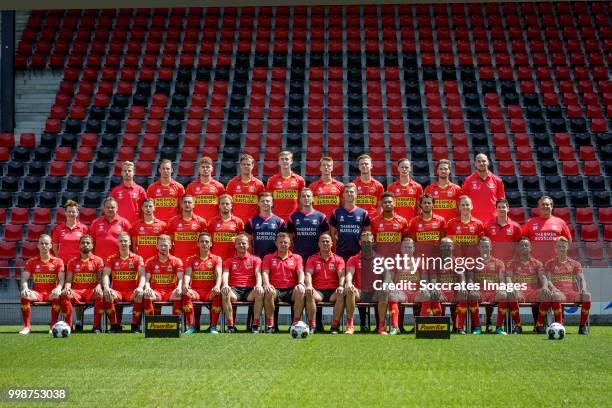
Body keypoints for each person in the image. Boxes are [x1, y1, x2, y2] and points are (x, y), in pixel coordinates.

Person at [329, 183, 371, 331]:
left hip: (358, 256)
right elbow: (333, 233)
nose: (349, 194)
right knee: (343, 288)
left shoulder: (363, 213)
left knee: (359, 286)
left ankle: (364, 322)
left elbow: (367, 233)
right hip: (341, 255)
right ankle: (338, 323)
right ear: (343, 195)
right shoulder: (336, 213)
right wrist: (337, 246)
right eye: (347, 192)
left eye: (352, 192)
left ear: (356, 195)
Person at [537, 237, 591, 335]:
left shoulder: (575, 264)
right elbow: (548, 279)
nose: (561, 249)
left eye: (563, 247)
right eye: (559, 247)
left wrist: (583, 288)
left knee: (587, 295)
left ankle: (582, 326)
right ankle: (560, 326)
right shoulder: (550, 263)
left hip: (572, 293)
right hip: (559, 292)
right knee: (556, 296)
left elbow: (581, 278)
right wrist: (554, 289)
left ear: (567, 247)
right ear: (555, 248)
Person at [19, 234, 65, 335]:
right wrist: (25, 288)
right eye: (42, 243)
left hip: (51, 293)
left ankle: (52, 326)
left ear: (51, 246)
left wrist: (59, 287)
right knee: (24, 295)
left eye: (47, 244)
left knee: (58, 294)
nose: (44, 246)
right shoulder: (31, 262)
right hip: (37, 293)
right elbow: (24, 278)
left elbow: (62, 279)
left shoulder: (58, 262)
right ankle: (27, 327)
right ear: (38, 246)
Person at [345, 231, 389, 334]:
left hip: (375, 292)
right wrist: (349, 282)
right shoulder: (353, 259)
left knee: (384, 291)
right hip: (360, 292)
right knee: (350, 290)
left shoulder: (381, 259)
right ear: (360, 243)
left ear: (373, 242)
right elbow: (349, 273)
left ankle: (382, 326)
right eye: (364, 242)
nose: (366, 244)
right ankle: (350, 325)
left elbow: (387, 275)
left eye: (368, 242)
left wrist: (385, 284)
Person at [102, 232, 146, 333]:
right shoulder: (111, 258)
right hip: (118, 292)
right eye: (121, 241)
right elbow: (105, 275)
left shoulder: (137, 258)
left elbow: (143, 275)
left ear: (130, 242)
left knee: (140, 294)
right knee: (108, 294)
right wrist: (106, 287)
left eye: (125, 241)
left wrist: (140, 287)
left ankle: (135, 326)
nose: (123, 243)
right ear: (117, 243)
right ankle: (114, 326)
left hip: (131, 292)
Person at [261, 233, 306, 333]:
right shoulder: (268, 257)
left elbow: (300, 272)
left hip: (291, 289)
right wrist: (267, 284)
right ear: (276, 243)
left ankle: (295, 324)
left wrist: (301, 283)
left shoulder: (297, 257)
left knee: (301, 291)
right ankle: (271, 325)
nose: (283, 244)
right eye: (280, 242)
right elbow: (265, 272)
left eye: (285, 242)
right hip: (275, 289)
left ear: (290, 244)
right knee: (268, 291)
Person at [60, 235, 105, 333]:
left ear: (92, 245)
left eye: (88, 243)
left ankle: (96, 326)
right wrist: (67, 288)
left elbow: (100, 279)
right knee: (64, 294)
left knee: (100, 294)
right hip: (77, 292)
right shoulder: (72, 261)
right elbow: (68, 280)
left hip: (91, 291)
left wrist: (98, 285)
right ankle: (69, 326)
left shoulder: (98, 260)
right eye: (83, 243)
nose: (85, 245)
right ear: (79, 245)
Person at [505, 237, 549, 334]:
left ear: (530, 248)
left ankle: (539, 325)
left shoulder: (537, 263)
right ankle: (518, 326)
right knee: (511, 294)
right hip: (519, 291)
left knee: (546, 293)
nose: (524, 247)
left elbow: (543, 278)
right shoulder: (511, 263)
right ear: (517, 248)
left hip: (533, 292)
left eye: (526, 245)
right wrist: (512, 287)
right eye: (521, 245)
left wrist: (545, 287)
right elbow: (508, 277)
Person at [221, 234, 264, 333]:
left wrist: (258, 285)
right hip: (234, 290)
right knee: (225, 292)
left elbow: (258, 273)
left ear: (248, 245)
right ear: (235, 245)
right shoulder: (229, 261)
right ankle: (231, 325)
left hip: (250, 290)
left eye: (244, 243)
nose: (241, 245)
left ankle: (255, 325)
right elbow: (225, 274)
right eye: (239, 243)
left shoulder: (256, 259)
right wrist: (225, 285)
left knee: (260, 292)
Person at [387, 237, 431, 334]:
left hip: (415, 293)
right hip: (401, 292)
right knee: (391, 296)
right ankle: (395, 327)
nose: (407, 249)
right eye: (405, 247)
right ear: (401, 248)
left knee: (427, 295)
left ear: (414, 248)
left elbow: (425, 279)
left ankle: (420, 327)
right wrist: (392, 287)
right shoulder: (395, 262)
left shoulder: (420, 262)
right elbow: (389, 279)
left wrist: (424, 287)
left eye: (410, 247)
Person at [304, 234, 346, 334]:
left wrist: (341, 285)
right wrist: (309, 285)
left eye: (327, 241)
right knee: (308, 293)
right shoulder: (312, 258)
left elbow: (342, 275)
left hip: (333, 291)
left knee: (341, 293)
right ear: (318, 244)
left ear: (332, 244)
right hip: (318, 291)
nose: (325, 243)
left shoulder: (338, 259)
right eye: (323, 241)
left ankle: (335, 326)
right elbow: (308, 274)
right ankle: (313, 326)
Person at [183, 233, 222, 334]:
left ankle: (213, 327)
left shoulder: (216, 259)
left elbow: (219, 274)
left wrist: (217, 286)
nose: (204, 244)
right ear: (198, 244)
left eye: (207, 242)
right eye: (202, 241)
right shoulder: (190, 259)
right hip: (196, 292)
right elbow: (187, 274)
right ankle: (191, 327)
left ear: (211, 244)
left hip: (210, 292)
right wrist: (186, 285)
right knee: (186, 294)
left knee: (218, 294)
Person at [142, 235, 185, 318]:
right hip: (156, 291)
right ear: (157, 246)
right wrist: (147, 288)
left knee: (178, 294)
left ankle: (176, 323)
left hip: (170, 291)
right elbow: (147, 279)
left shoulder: (177, 261)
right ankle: (151, 322)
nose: (163, 247)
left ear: (170, 246)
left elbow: (180, 278)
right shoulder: (150, 261)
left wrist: (179, 287)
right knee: (147, 294)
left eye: (165, 245)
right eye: (161, 245)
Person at [471, 237, 506, 334]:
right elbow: (470, 279)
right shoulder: (473, 262)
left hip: (493, 291)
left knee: (504, 296)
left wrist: (502, 289)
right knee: (472, 296)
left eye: (487, 246)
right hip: (480, 291)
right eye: (482, 246)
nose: (485, 249)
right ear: (478, 248)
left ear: (491, 247)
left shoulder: (499, 263)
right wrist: (472, 288)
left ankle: (499, 328)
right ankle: (478, 327)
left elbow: (502, 279)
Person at [522, 196, 572, 262]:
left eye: (547, 204)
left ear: (551, 206)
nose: (545, 206)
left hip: (555, 262)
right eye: (542, 204)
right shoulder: (530, 222)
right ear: (539, 207)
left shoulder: (560, 222)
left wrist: (562, 254)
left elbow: (568, 240)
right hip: (535, 262)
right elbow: (522, 240)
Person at [287, 188, 329, 264]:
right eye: (303, 196)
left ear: (312, 199)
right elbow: (289, 236)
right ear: (300, 200)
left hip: (317, 255)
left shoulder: (321, 216)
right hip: (298, 255)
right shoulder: (293, 216)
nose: (306, 198)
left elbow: (325, 236)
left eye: (308, 196)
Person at [461, 154, 505, 224]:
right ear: (475, 164)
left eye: (484, 161)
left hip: (493, 221)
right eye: (479, 161)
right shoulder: (468, 181)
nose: (481, 163)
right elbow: (463, 202)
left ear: (488, 162)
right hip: (473, 221)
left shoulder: (497, 181)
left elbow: (502, 202)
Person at [166, 195, 208, 263]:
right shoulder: (173, 221)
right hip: (178, 259)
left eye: (189, 202)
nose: (187, 204)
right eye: (185, 202)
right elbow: (169, 241)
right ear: (181, 205)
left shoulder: (201, 222)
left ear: (194, 205)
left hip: (196, 260)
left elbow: (205, 242)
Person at [244, 192, 286, 260]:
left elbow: (283, 242)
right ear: (258, 203)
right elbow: (248, 243)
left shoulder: (280, 222)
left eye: (268, 201)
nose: (265, 203)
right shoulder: (251, 222)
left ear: (272, 203)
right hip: (256, 259)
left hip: (275, 259)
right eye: (262, 201)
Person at [266, 150, 305, 221]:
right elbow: (269, 201)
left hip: (294, 218)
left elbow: (302, 201)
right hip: (276, 218)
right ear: (279, 162)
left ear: (291, 161)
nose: (284, 161)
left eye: (286, 159)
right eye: (282, 159)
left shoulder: (299, 180)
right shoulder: (272, 180)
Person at [225, 154, 265, 223]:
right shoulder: (232, 183)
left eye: (248, 164)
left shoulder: (259, 184)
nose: (246, 166)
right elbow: (227, 203)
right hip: (235, 222)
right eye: (244, 164)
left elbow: (262, 205)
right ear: (240, 165)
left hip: (253, 222)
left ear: (252, 166)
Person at [90, 197, 132, 262]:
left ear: (117, 208)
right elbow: (91, 243)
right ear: (103, 209)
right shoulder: (95, 223)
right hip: (100, 262)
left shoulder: (125, 223)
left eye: (112, 207)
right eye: (107, 207)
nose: (110, 209)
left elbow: (130, 244)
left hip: (119, 262)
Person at [370, 192, 409, 258]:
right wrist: (375, 255)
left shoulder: (403, 221)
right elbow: (370, 242)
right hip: (380, 258)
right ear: (381, 204)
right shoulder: (374, 221)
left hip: (397, 258)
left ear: (394, 204)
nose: (387, 204)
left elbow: (406, 241)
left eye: (390, 202)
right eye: (385, 202)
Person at [407, 193, 446, 259]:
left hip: (436, 257)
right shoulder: (413, 222)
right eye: (424, 203)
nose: (427, 205)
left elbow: (442, 241)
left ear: (433, 205)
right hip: (419, 257)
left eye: (429, 203)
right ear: (421, 205)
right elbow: (412, 242)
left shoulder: (441, 220)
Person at [146, 159, 185, 223]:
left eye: (168, 168)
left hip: (173, 223)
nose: (165, 171)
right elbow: (148, 207)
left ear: (171, 170)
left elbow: (182, 207)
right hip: (157, 223)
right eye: (163, 168)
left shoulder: (179, 187)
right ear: (159, 170)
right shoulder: (151, 188)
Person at [51, 200, 89, 264]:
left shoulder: (84, 228)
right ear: (65, 213)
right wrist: (59, 259)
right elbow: (54, 247)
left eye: (73, 212)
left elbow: (88, 247)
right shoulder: (58, 229)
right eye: (69, 212)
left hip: (78, 263)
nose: (71, 214)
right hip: (63, 263)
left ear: (77, 213)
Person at [208, 195, 245, 261]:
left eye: (227, 204)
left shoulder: (238, 222)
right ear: (219, 206)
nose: (225, 205)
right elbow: (209, 242)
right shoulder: (212, 222)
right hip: (216, 259)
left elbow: (241, 243)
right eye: (222, 203)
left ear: (231, 206)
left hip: (233, 259)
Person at [353, 154, 384, 219]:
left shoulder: (379, 186)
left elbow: (380, 206)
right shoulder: (353, 184)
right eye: (361, 164)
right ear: (358, 166)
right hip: (356, 218)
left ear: (371, 166)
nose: (364, 166)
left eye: (366, 164)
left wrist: (378, 219)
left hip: (373, 219)